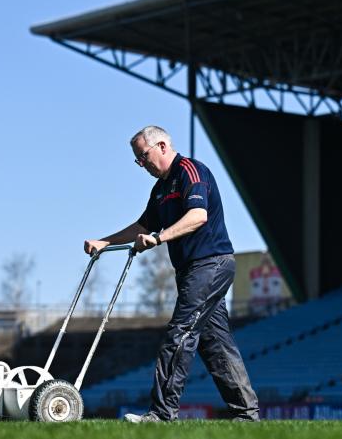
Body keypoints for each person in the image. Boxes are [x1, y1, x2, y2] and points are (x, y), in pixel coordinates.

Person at [84, 126, 260, 422]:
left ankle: (162, 413)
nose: (142, 165)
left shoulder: (190, 171)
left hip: (211, 263)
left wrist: (159, 238)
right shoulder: (160, 189)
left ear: (162, 146)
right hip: (191, 269)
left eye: (144, 156)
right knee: (214, 342)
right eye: (137, 160)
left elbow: (197, 216)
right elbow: (142, 226)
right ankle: (247, 415)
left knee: (179, 334)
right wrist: (105, 242)